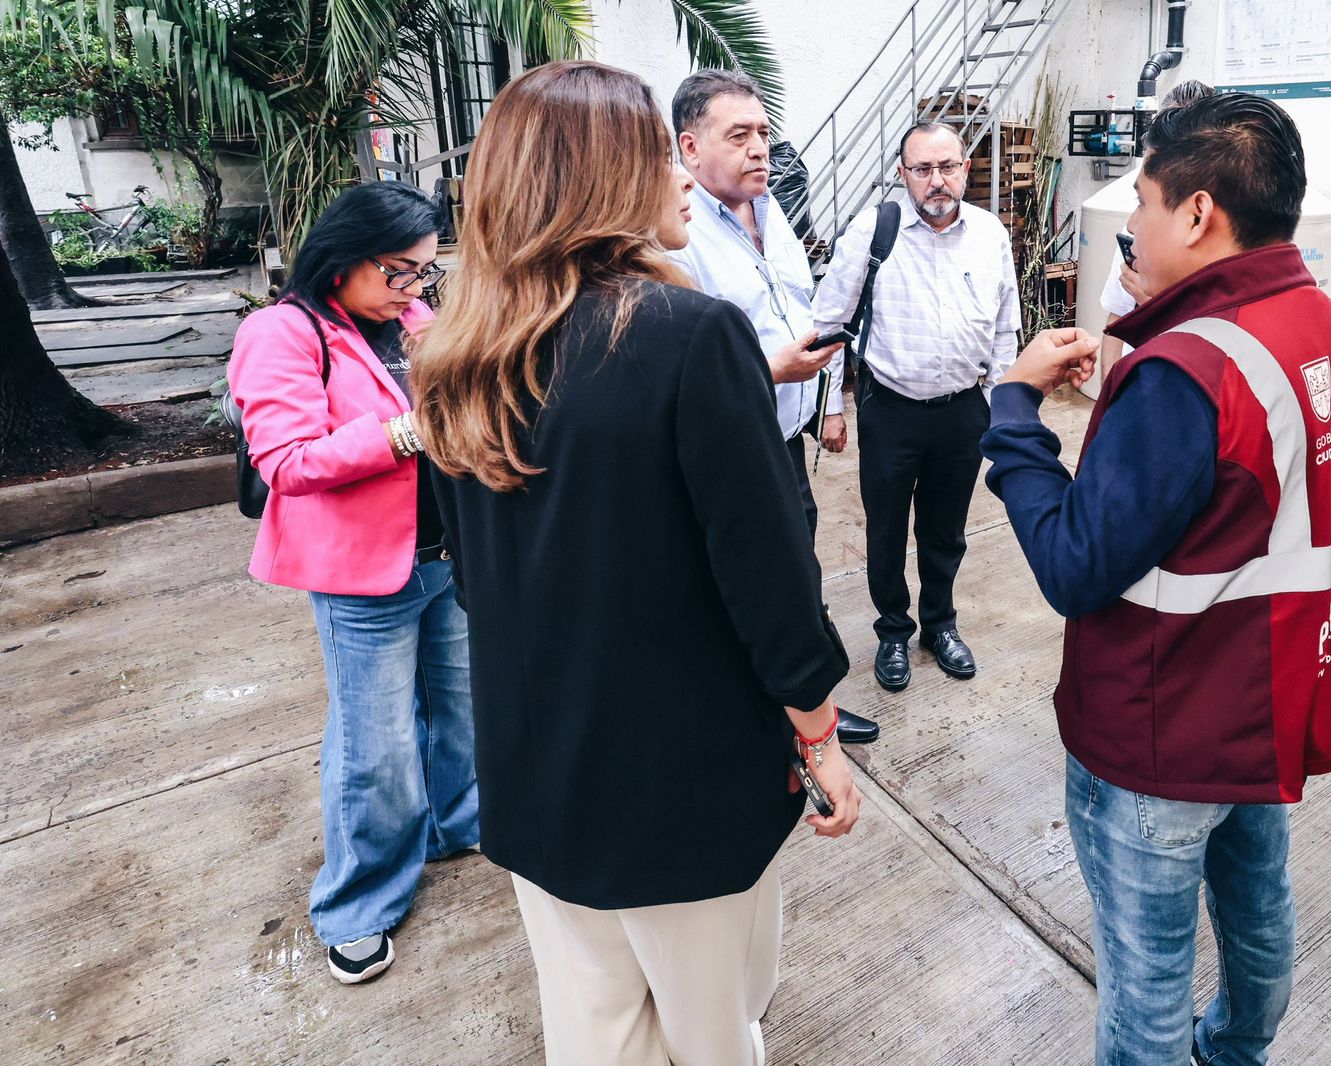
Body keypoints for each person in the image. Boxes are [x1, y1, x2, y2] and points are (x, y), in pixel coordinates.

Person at [412, 61, 862, 1066]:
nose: (684, 174)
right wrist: (819, 732)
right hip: (679, 781)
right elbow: (770, 581)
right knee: (716, 1028)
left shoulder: (455, 353)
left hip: (535, 772)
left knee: (595, 1031)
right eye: (662, 152)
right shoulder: (690, 337)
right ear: (603, 178)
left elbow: (474, 579)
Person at [981, 94, 1331, 1065]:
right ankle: (1238, 1050)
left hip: (1158, 733)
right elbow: (1305, 505)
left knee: (1146, 984)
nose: (1131, 224)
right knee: (1258, 913)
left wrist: (1013, 410)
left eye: (1142, 200)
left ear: (1199, 212)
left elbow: (1075, 564)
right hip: (1268, 706)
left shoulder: (1187, 372)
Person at [228, 182, 476, 985]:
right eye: (400, 270)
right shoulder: (282, 332)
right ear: (344, 257)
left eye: (425, 271)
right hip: (362, 576)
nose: (414, 287)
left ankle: (454, 825)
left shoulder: (410, 319)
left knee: (459, 711)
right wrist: (406, 432)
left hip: (444, 556)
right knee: (376, 746)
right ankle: (359, 902)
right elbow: (287, 461)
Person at [670, 68, 879, 745]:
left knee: (796, 574)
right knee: (752, 585)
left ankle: (806, 706)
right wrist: (770, 370)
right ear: (690, 147)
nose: (760, 148)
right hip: (727, 450)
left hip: (783, 437)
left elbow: (809, 308)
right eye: (739, 135)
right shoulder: (676, 235)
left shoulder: (771, 210)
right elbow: (679, 377)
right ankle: (778, 720)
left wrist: (829, 401)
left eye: (762, 132)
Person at [812, 121, 1021, 693]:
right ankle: (892, 631)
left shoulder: (989, 233)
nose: (937, 180)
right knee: (886, 529)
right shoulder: (873, 231)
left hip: (964, 410)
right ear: (903, 173)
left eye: (947, 167)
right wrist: (831, 407)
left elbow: (1006, 327)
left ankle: (939, 625)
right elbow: (829, 323)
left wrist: (1002, 407)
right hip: (891, 410)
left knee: (946, 529)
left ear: (965, 169)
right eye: (923, 169)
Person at [1098, 79, 1216, 372]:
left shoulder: (1227, 242)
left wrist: (1155, 306)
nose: (1133, 224)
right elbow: (1116, 321)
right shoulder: (1137, 229)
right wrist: (1110, 392)